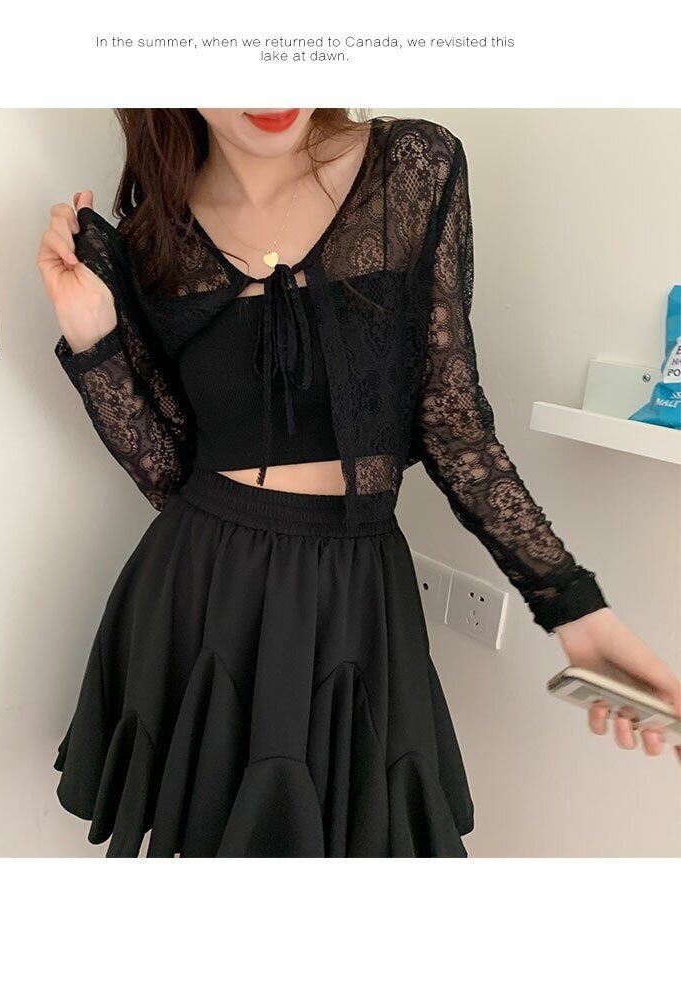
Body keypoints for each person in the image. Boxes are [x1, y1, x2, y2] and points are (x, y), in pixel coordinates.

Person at [37, 109, 680, 857]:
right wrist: (92, 337)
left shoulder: (410, 167)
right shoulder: (155, 236)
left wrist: (576, 610)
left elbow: (452, 425)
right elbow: (171, 473)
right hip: (204, 592)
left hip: (357, 597)